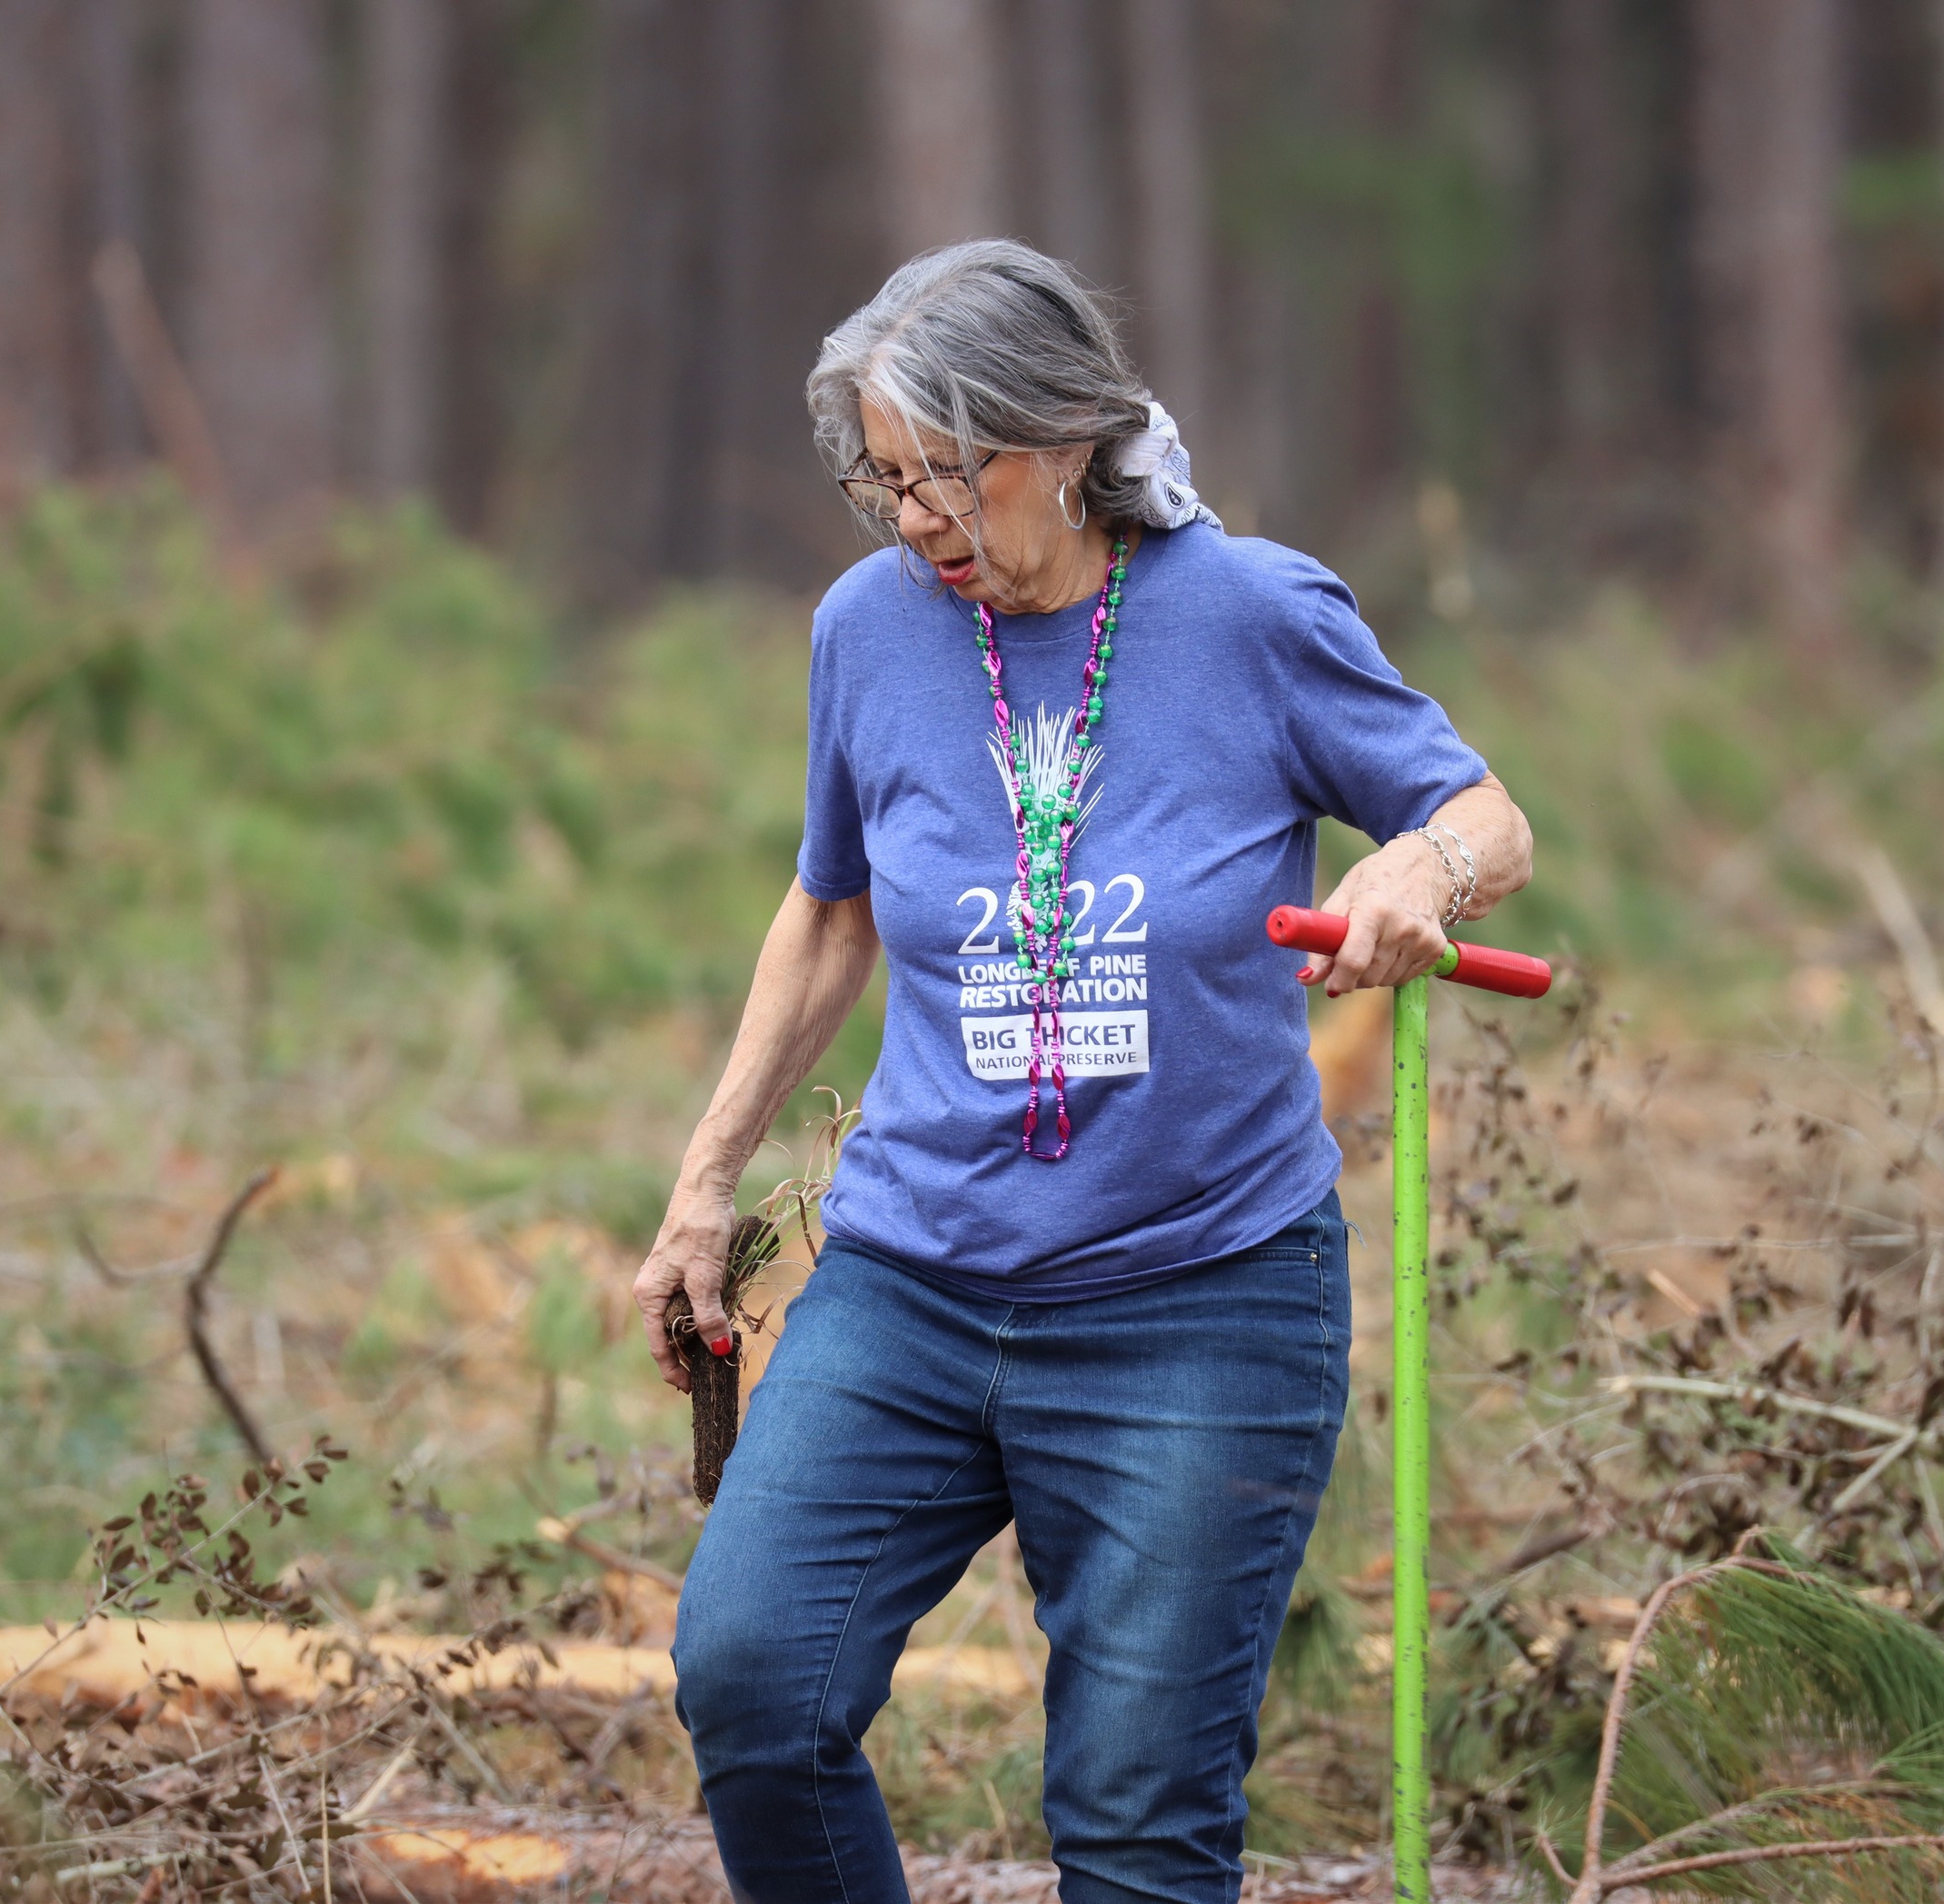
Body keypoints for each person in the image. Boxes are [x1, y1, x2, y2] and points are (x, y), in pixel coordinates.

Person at [635, 239, 1532, 1904]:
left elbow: (1484, 816)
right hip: (908, 1281)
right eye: (881, 479)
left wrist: (1418, 877)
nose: (915, 522)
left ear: (1061, 438)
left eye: (948, 477)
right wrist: (703, 1189)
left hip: (1195, 1305)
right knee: (756, 1681)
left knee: (1132, 1818)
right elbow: (832, 910)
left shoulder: (1251, 613)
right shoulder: (869, 630)